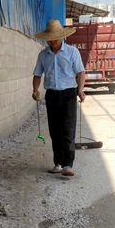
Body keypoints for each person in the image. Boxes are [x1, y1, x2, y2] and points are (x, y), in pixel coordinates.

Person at [32, 20, 86, 177]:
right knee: (55, 130)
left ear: (61, 37)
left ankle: (68, 164)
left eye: (56, 37)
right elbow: (37, 74)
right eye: (51, 37)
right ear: (47, 38)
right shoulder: (43, 55)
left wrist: (80, 90)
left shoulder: (72, 52)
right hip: (52, 95)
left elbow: (81, 72)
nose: (53, 40)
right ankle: (58, 163)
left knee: (68, 130)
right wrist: (35, 89)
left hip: (69, 93)